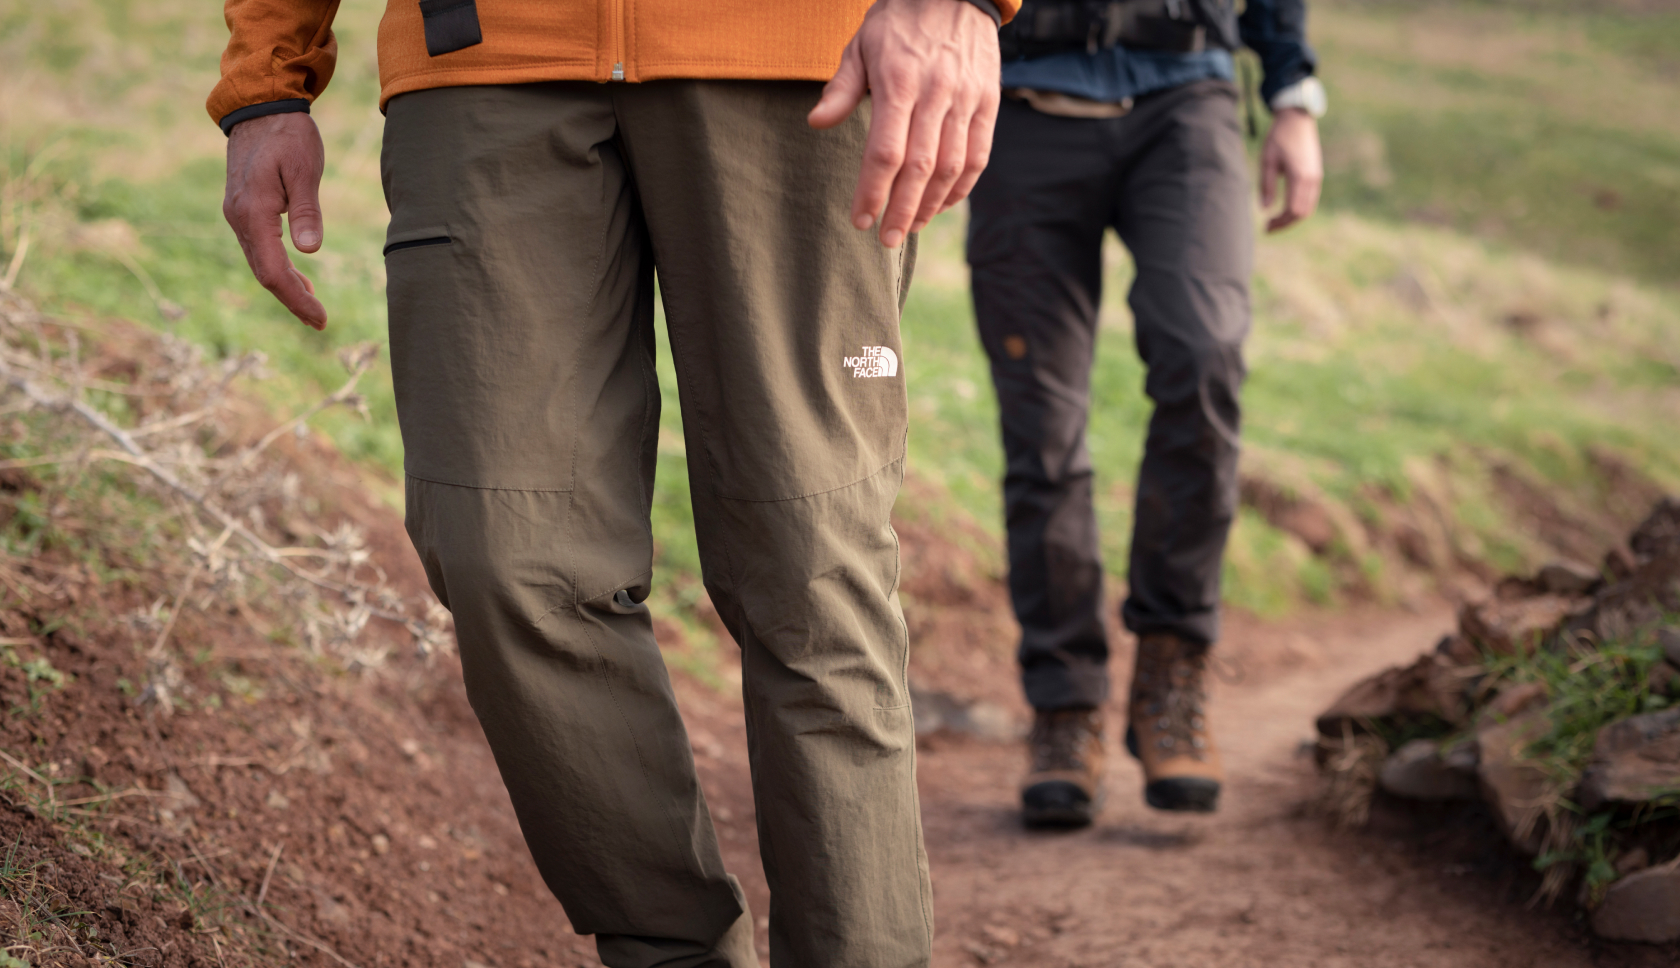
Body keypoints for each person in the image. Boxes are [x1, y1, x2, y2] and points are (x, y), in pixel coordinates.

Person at [212, 1, 1010, 964]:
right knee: (506, 558)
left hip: (794, 57)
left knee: (811, 567)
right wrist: (267, 81)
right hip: (487, 63)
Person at [966, 0, 1325, 827]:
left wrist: (1293, 95)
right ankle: (1065, 707)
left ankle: (1173, 669)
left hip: (1185, 97)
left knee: (1204, 358)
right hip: (1022, 99)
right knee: (1041, 423)